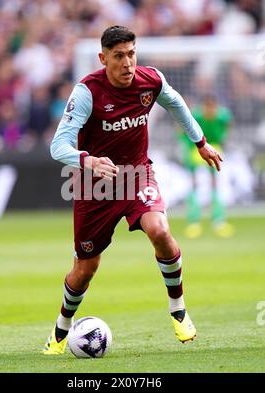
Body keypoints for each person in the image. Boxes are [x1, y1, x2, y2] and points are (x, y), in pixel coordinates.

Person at [43, 26, 223, 355]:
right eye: (118, 56)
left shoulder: (150, 80)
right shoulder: (87, 92)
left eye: (131, 54)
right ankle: (60, 330)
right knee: (85, 270)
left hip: (137, 175)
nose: (127, 63)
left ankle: (178, 310)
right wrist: (88, 160)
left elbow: (178, 105)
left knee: (160, 230)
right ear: (103, 58)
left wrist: (201, 142)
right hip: (93, 187)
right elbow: (58, 146)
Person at [177, 94, 234, 239]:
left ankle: (218, 220)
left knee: (215, 183)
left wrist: (222, 139)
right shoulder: (195, 115)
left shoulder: (223, 116)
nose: (210, 110)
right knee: (194, 183)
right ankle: (194, 220)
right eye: (207, 107)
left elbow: (227, 126)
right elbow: (182, 128)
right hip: (196, 149)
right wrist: (187, 147)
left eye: (212, 107)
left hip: (213, 147)